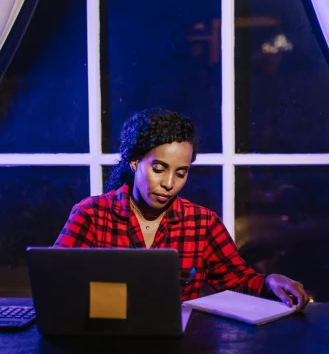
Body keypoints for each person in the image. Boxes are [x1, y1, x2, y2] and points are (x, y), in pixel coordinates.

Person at [55, 107, 310, 310]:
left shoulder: (202, 222)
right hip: (101, 346)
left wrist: (269, 281)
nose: (169, 184)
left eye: (181, 173)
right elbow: (55, 282)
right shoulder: (91, 214)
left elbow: (239, 279)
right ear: (134, 161)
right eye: (159, 169)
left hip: (178, 352)